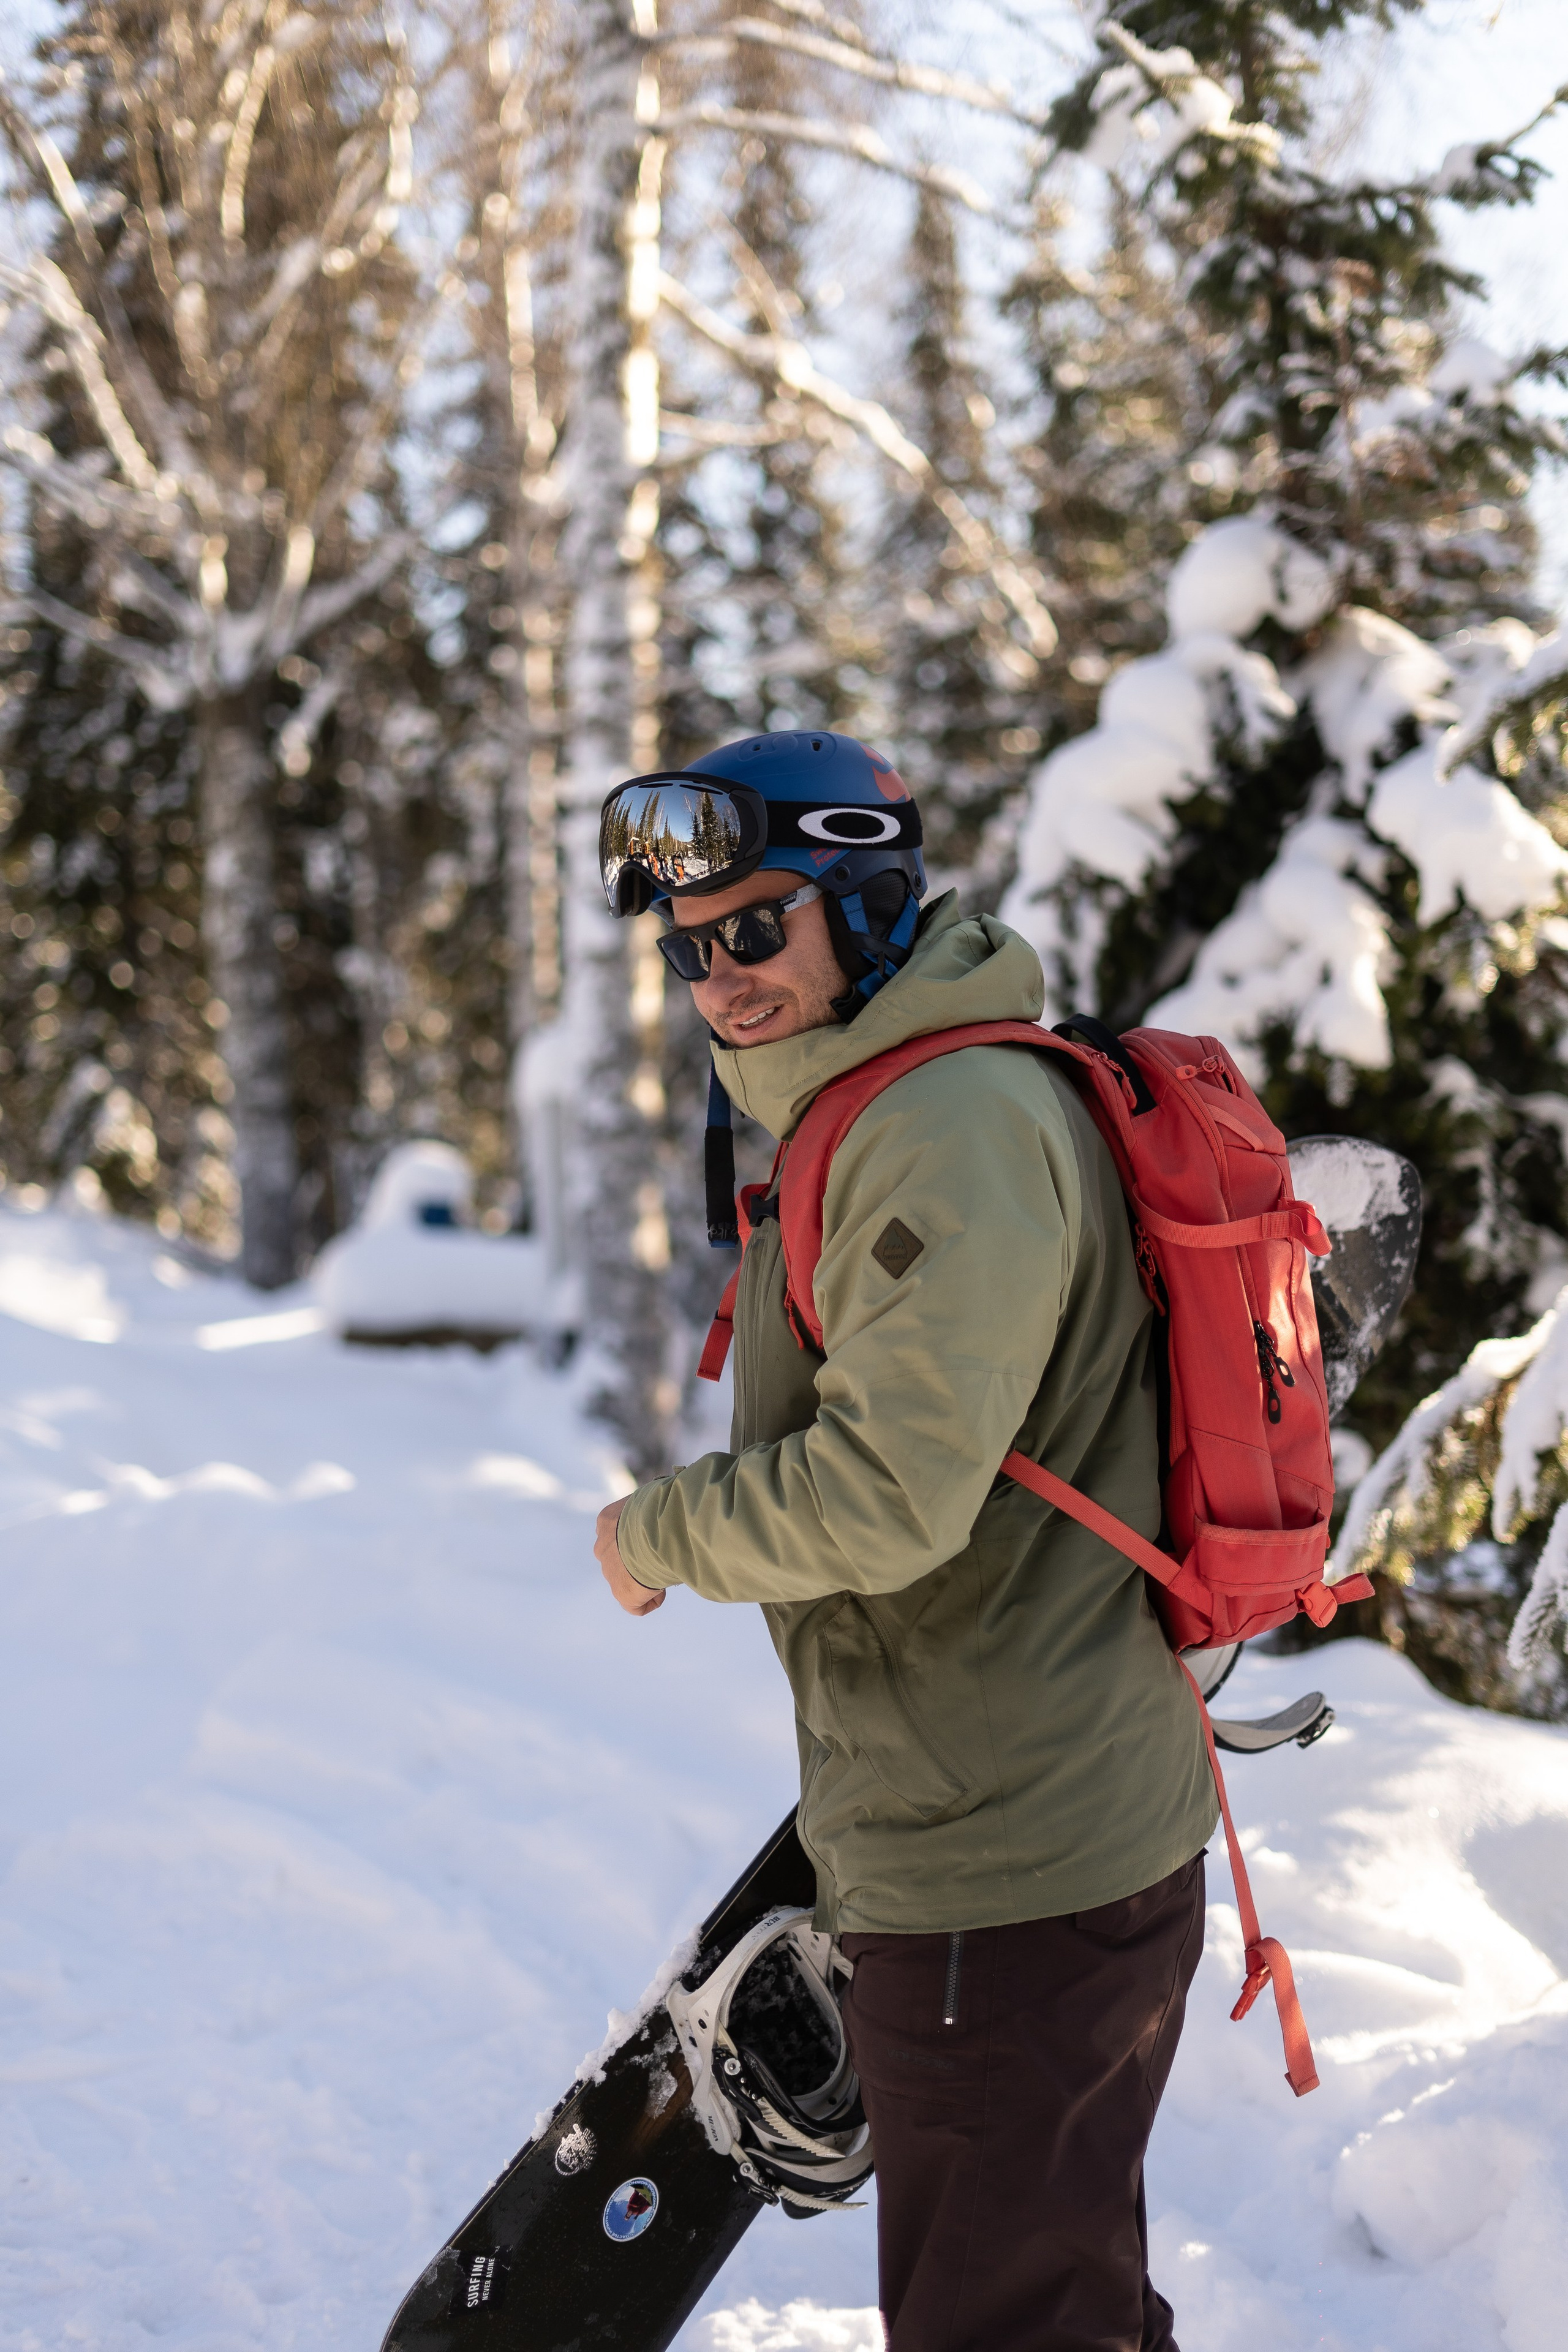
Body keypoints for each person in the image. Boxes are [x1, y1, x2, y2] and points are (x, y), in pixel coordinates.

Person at [591, 729, 1218, 2352]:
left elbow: (890, 1491)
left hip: (1008, 1871)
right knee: (1050, 2298)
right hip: (1025, 1825)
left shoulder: (941, 1126)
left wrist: (665, 1530)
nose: (719, 975)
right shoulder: (904, 1100)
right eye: (688, 942)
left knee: (1006, 2322)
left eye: (754, 928)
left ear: (863, 904)